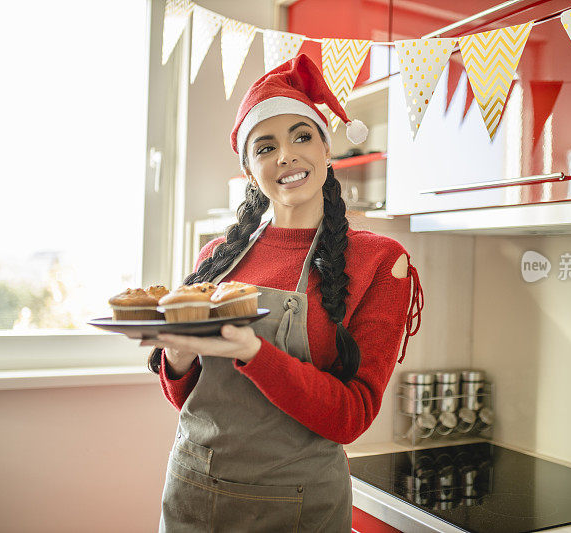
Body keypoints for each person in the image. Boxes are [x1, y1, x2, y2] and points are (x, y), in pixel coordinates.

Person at [141, 53, 423, 532]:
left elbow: (351, 416)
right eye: (265, 147)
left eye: (301, 136)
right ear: (251, 170)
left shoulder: (380, 261)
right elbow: (191, 398)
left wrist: (254, 352)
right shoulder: (218, 255)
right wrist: (179, 355)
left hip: (297, 506)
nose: (286, 156)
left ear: (325, 149)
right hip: (192, 492)